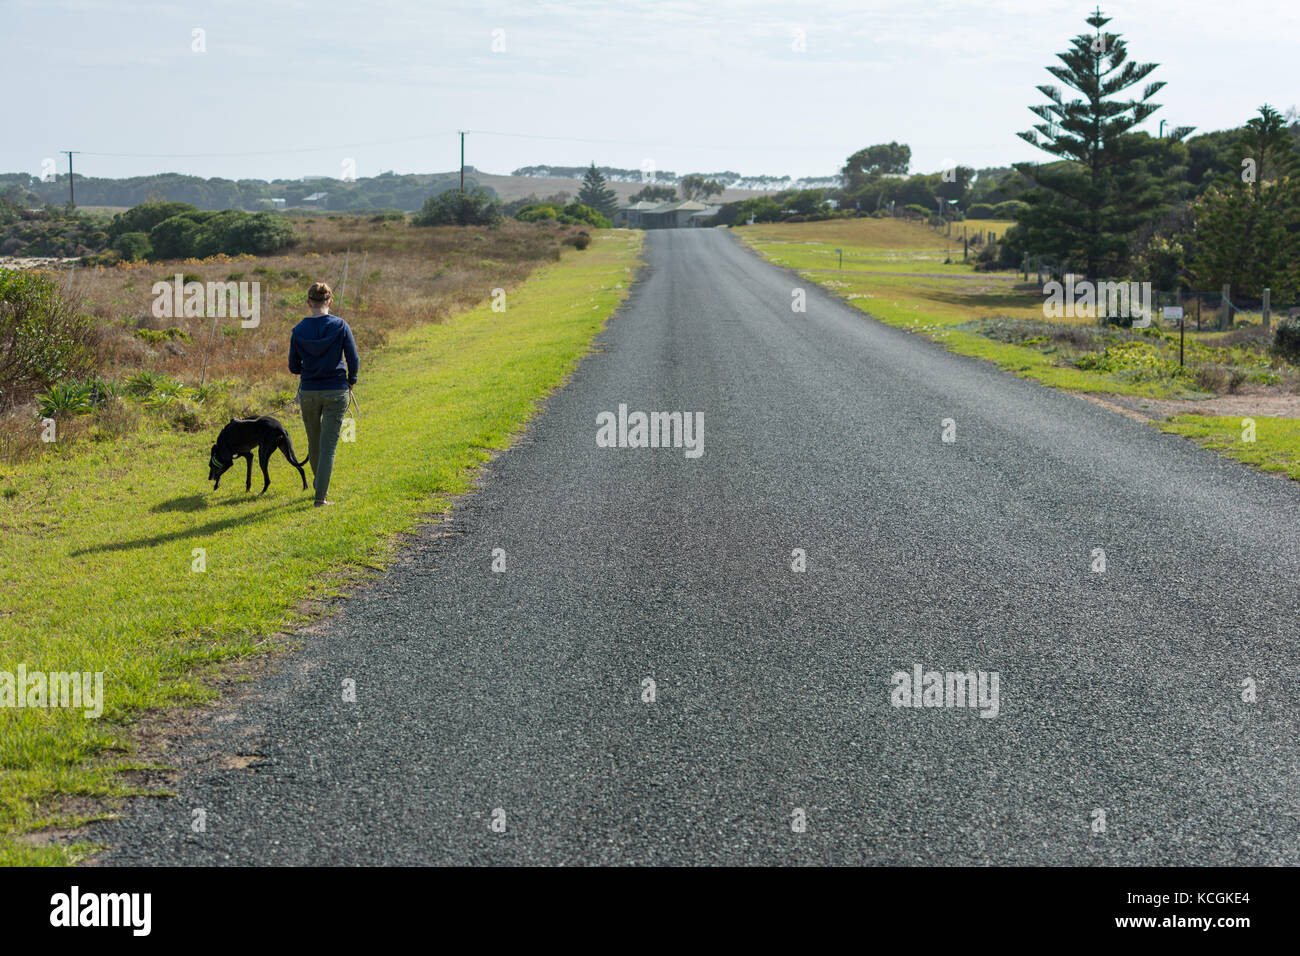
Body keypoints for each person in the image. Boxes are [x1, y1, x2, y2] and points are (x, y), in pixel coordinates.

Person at [288, 282, 358, 506]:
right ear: (329, 301)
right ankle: (320, 498)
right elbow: (353, 359)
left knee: (314, 442)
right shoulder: (340, 325)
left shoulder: (298, 330)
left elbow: (294, 367)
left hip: (308, 392)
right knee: (328, 447)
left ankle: (320, 486)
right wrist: (351, 381)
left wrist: (309, 368)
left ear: (309, 302)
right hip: (336, 390)